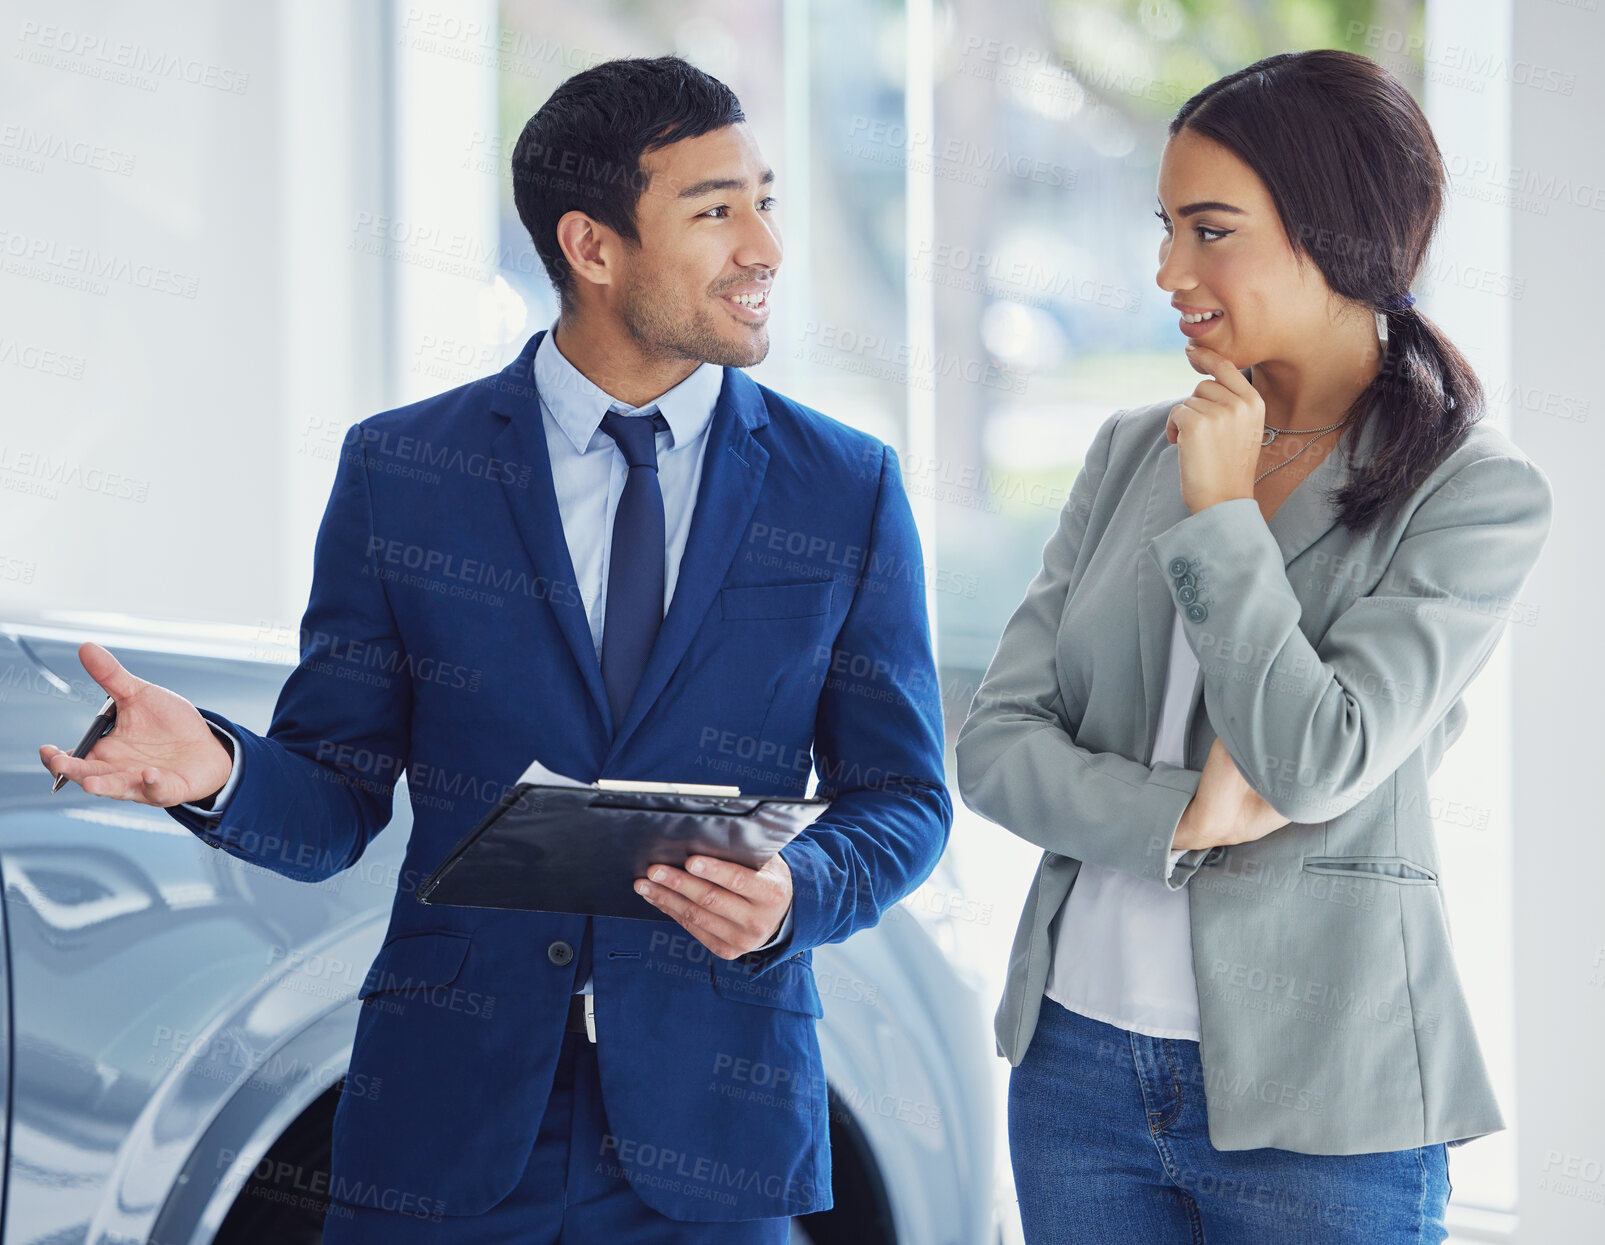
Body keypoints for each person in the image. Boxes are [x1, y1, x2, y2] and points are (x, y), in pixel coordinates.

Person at [39, 55, 950, 1243]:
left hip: (713, 1139)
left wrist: (795, 898)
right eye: (718, 210)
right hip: (444, 1134)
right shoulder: (405, 472)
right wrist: (214, 769)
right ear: (593, 245)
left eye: (764, 201)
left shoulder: (846, 489)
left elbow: (904, 797)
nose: (765, 248)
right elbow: (336, 801)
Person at [956, 49, 1553, 1245]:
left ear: (1336, 230)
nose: (1170, 270)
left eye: (1210, 230)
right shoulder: (1134, 447)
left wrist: (1227, 514)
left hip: (1326, 1095)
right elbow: (996, 746)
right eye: (1165, 226)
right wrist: (1182, 820)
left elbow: (1315, 759)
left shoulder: (1474, 494)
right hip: (1075, 1067)